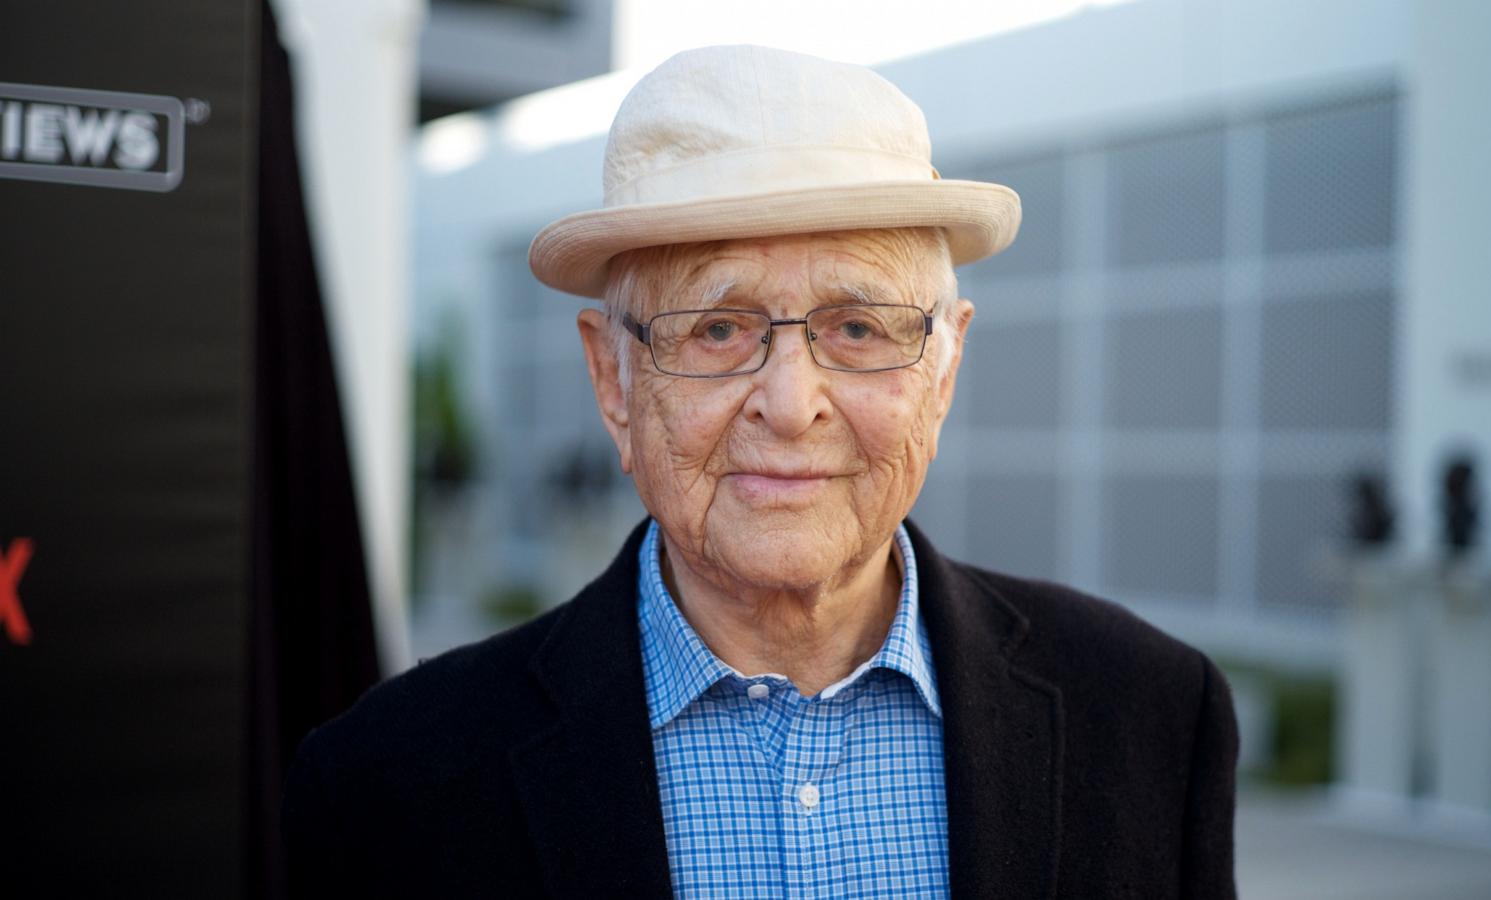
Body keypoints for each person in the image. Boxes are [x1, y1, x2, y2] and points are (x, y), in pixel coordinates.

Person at [283, 45, 1238, 899]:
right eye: (719, 328)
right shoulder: (391, 782)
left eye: (858, 327)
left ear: (942, 371)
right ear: (612, 378)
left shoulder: (1153, 717)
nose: (790, 403)